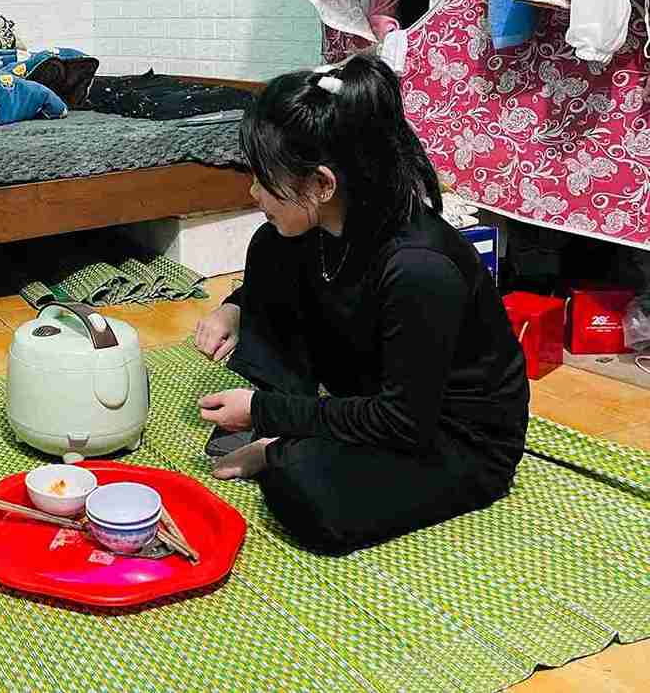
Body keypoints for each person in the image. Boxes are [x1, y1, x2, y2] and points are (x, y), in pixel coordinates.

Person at [194, 54, 529, 554]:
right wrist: (235, 306)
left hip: (449, 434)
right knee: (271, 244)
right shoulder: (333, 222)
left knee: (309, 493)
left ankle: (284, 446)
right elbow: (311, 286)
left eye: (265, 180)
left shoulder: (419, 266)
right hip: (378, 391)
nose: (253, 192)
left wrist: (268, 414)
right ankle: (297, 427)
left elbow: (403, 421)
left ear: (323, 184)